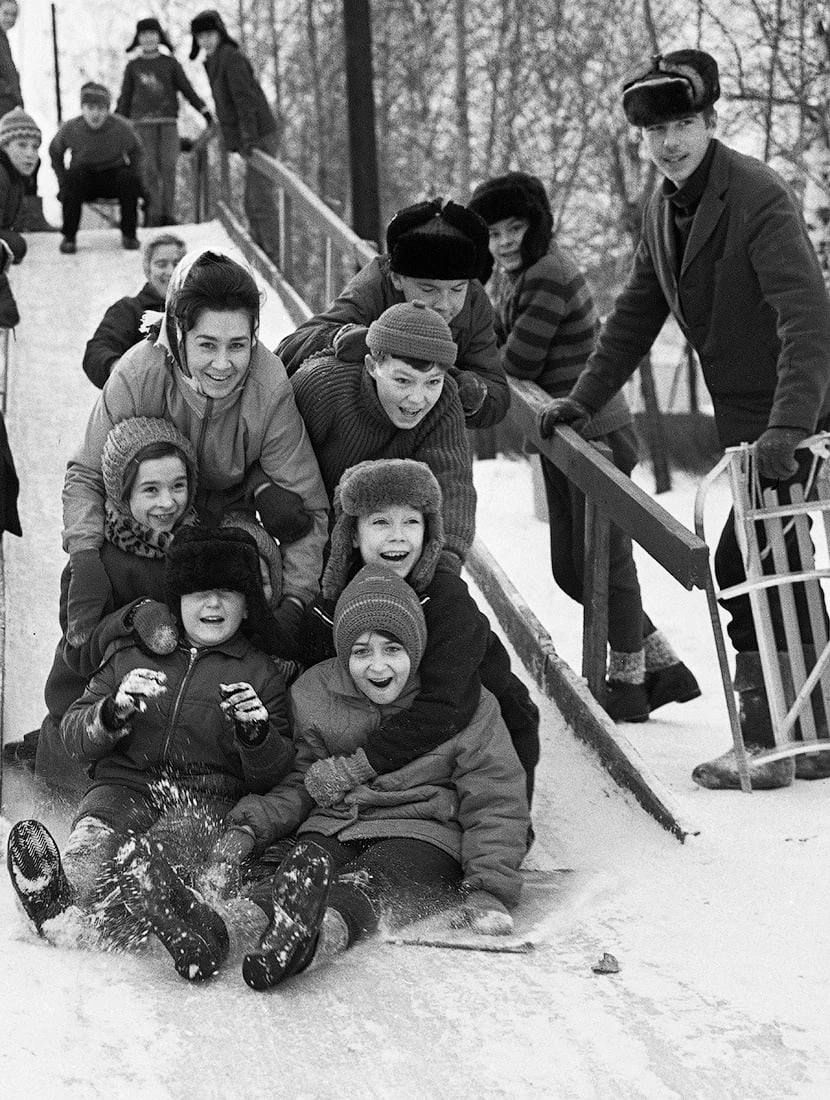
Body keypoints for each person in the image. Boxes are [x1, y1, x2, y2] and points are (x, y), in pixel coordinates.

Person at [539, 49, 830, 788]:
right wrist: (585, 393)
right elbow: (637, 311)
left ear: (708, 123)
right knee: (778, 565)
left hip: (801, 413)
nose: (669, 143)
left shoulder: (756, 195)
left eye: (683, 125)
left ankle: (770, 743)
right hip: (748, 422)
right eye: (655, 131)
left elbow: (805, 318)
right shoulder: (661, 205)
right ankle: (812, 733)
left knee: (749, 563)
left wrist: (790, 428)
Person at [7, 526, 296, 983]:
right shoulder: (131, 655)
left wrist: (256, 733)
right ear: (178, 599)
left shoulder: (261, 673)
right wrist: (113, 711)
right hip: (123, 783)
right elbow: (74, 733)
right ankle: (62, 897)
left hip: (203, 799)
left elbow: (273, 773)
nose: (214, 605)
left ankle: (127, 916)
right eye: (200, 593)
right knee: (98, 836)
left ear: (247, 604)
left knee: (159, 857)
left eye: (227, 593)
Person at [468, 170, 699, 723]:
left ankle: (625, 688)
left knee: (605, 568)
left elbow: (515, 364)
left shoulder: (547, 273)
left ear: (535, 225)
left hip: (594, 435)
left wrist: (471, 354)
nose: (503, 243)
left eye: (514, 228)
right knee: (572, 572)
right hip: (561, 435)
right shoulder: (517, 276)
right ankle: (662, 670)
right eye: (493, 232)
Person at [232, 564, 530, 989]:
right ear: (341, 654)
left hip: (421, 832)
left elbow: (495, 797)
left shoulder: (464, 704)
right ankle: (221, 930)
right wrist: (255, 822)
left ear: (417, 648)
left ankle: (309, 941)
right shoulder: (315, 694)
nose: (377, 666)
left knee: (370, 883)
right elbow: (302, 779)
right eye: (360, 652)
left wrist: (490, 885)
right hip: (335, 823)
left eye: (392, 650)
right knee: (296, 874)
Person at [61, 249, 330, 659]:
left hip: (224, 519)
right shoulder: (139, 373)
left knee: (252, 588)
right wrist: (84, 554)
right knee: (97, 592)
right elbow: (86, 472)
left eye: (238, 345)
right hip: (148, 521)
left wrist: (295, 601)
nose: (223, 364)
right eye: (207, 344)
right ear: (179, 333)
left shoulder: (267, 383)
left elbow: (310, 504)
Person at [293, 458, 540, 804]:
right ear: (351, 534)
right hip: (402, 741)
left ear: (429, 531)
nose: (398, 536)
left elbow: (447, 707)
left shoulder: (446, 602)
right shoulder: (334, 605)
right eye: (380, 522)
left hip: (489, 734)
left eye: (411, 521)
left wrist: (359, 766)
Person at [277, 197, 510, 430]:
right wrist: (345, 338)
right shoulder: (374, 285)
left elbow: (497, 392)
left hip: (428, 434)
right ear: (397, 278)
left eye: (457, 289)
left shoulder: (474, 299)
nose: (444, 304)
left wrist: (469, 394)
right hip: (352, 426)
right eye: (428, 289)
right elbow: (288, 351)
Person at [291, 299, 475, 573]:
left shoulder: (444, 399)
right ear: (372, 365)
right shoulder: (321, 387)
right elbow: (283, 465)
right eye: (402, 380)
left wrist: (443, 568)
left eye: (432, 382)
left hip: (391, 543)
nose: (417, 399)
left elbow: (451, 483)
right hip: (310, 536)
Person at [189, 10, 281, 265]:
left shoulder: (231, 58)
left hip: (258, 133)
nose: (205, 41)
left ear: (219, 33)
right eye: (200, 36)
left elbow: (244, 99)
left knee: (260, 198)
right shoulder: (214, 60)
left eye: (209, 34)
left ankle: (271, 257)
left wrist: (248, 137)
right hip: (246, 135)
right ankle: (261, 253)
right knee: (253, 200)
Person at [117, 18, 213, 227]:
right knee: (148, 170)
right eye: (144, 34)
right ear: (138, 39)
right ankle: (153, 215)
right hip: (141, 125)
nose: (148, 38)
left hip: (168, 123)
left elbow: (187, 90)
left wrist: (204, 111)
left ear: (159, 36)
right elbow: (124, 98)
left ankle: (168, 215)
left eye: (152, 33)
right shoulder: (133, 67)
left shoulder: (170, 64)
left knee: (169, 168)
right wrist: (117, 124)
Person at [49, 81, 145, 254]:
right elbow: (55, 152)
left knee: (128, 179)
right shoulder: (71, 128)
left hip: (113, 176)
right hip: (84, 179)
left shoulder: (121, 127)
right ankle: (69, 237)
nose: (95, 114)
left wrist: (134, 174)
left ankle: (129, 235)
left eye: (101, 108)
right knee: (74, 177)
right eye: (90, 107)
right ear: (82, 108)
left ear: (108, 110)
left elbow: (137, 151)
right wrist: (62, 180)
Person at [82, 232, 186, 388]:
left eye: (177, 264)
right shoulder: (129, 310)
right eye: (161, 264)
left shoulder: (199, 311)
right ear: (147, 269)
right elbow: (97, 351)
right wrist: (121, 371)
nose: (171, 272)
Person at [0, 0, 53, 232]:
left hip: (10, 107)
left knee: (28, 159)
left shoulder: (4, 40)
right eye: (6, 13)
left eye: (14, 15)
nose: (10, 19)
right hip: (3, 108)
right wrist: (9, 94)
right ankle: (18, 218)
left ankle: (23, 215)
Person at [0, 107, 41, 327]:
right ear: (5, 147)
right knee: (15, 244)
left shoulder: (14, 176)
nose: (30, 153)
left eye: (35, 147)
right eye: (22, 145)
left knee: (17, 244)